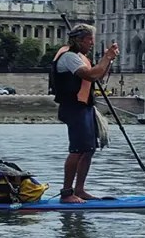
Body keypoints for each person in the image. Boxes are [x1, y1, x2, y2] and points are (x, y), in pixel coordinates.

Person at [50, 23, 119, 203]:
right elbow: (89, 75)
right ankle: (66, 193)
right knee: (77, 149)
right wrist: (106, 57)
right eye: (89, 40)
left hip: (85, 107)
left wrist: (109, 60)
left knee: (88, 149)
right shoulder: (69, 57)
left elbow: (98, 75)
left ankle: (79, 190)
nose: (91, 44)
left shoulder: (81, 57)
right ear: (79, 40)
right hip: (73, 107)